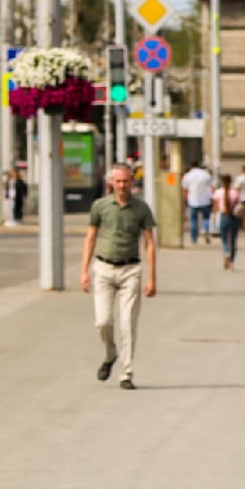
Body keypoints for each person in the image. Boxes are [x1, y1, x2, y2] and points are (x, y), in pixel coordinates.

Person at [81, 163, 157, 390]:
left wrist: (152, 278)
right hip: (103, 268)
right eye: (118, 181)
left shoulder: (141, 209)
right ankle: (110, 354)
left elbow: (150, 244)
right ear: (111, 183)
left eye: (126, 181)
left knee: (127, 324)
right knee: (102, 322)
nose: (122, 185)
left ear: (132, 183)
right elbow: (90, 237)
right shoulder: (100, 206)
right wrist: (84, 271)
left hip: (130, 271)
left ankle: (126, 373)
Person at [213, 172, 241, 271]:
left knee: (224, 240)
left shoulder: (218, 192)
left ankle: (226, 253)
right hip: (234, 218)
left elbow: (215, 207)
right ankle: (231, 262)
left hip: (224, 217)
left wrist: (214, 218)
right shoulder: (235, 192)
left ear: (222, 182)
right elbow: (239, 206)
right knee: (233, 241)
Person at [182, 161, 214, 244]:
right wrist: (212, 198)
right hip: (205, 200)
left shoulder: (188, 175)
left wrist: (185, 199)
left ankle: (194, 238)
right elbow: (211, 187)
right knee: (206, 218)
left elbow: (185, 189)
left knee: (193, 220)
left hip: (193, 200)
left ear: (191, 166)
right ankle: (206, 231)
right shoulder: (205, 174)